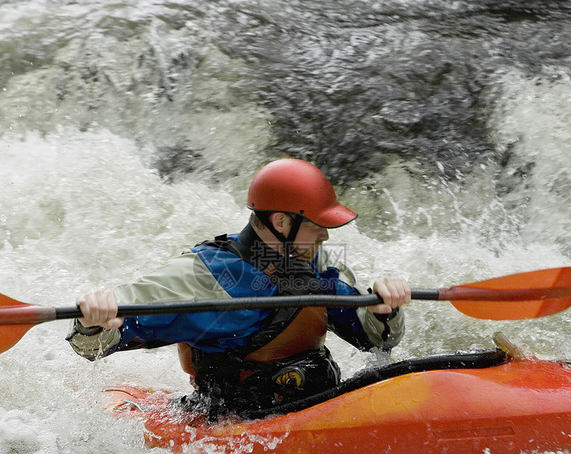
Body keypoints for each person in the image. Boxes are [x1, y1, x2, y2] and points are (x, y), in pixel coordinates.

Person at [68, 158, 410, 418]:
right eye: (318, 225)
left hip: (313, 406)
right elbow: (109, 331)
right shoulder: (206, 275)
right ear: (281, 222)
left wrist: (384, 311)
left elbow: (375, 341)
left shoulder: (316, 263)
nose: (326, 235)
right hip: (235, 424)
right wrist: (95, 322)